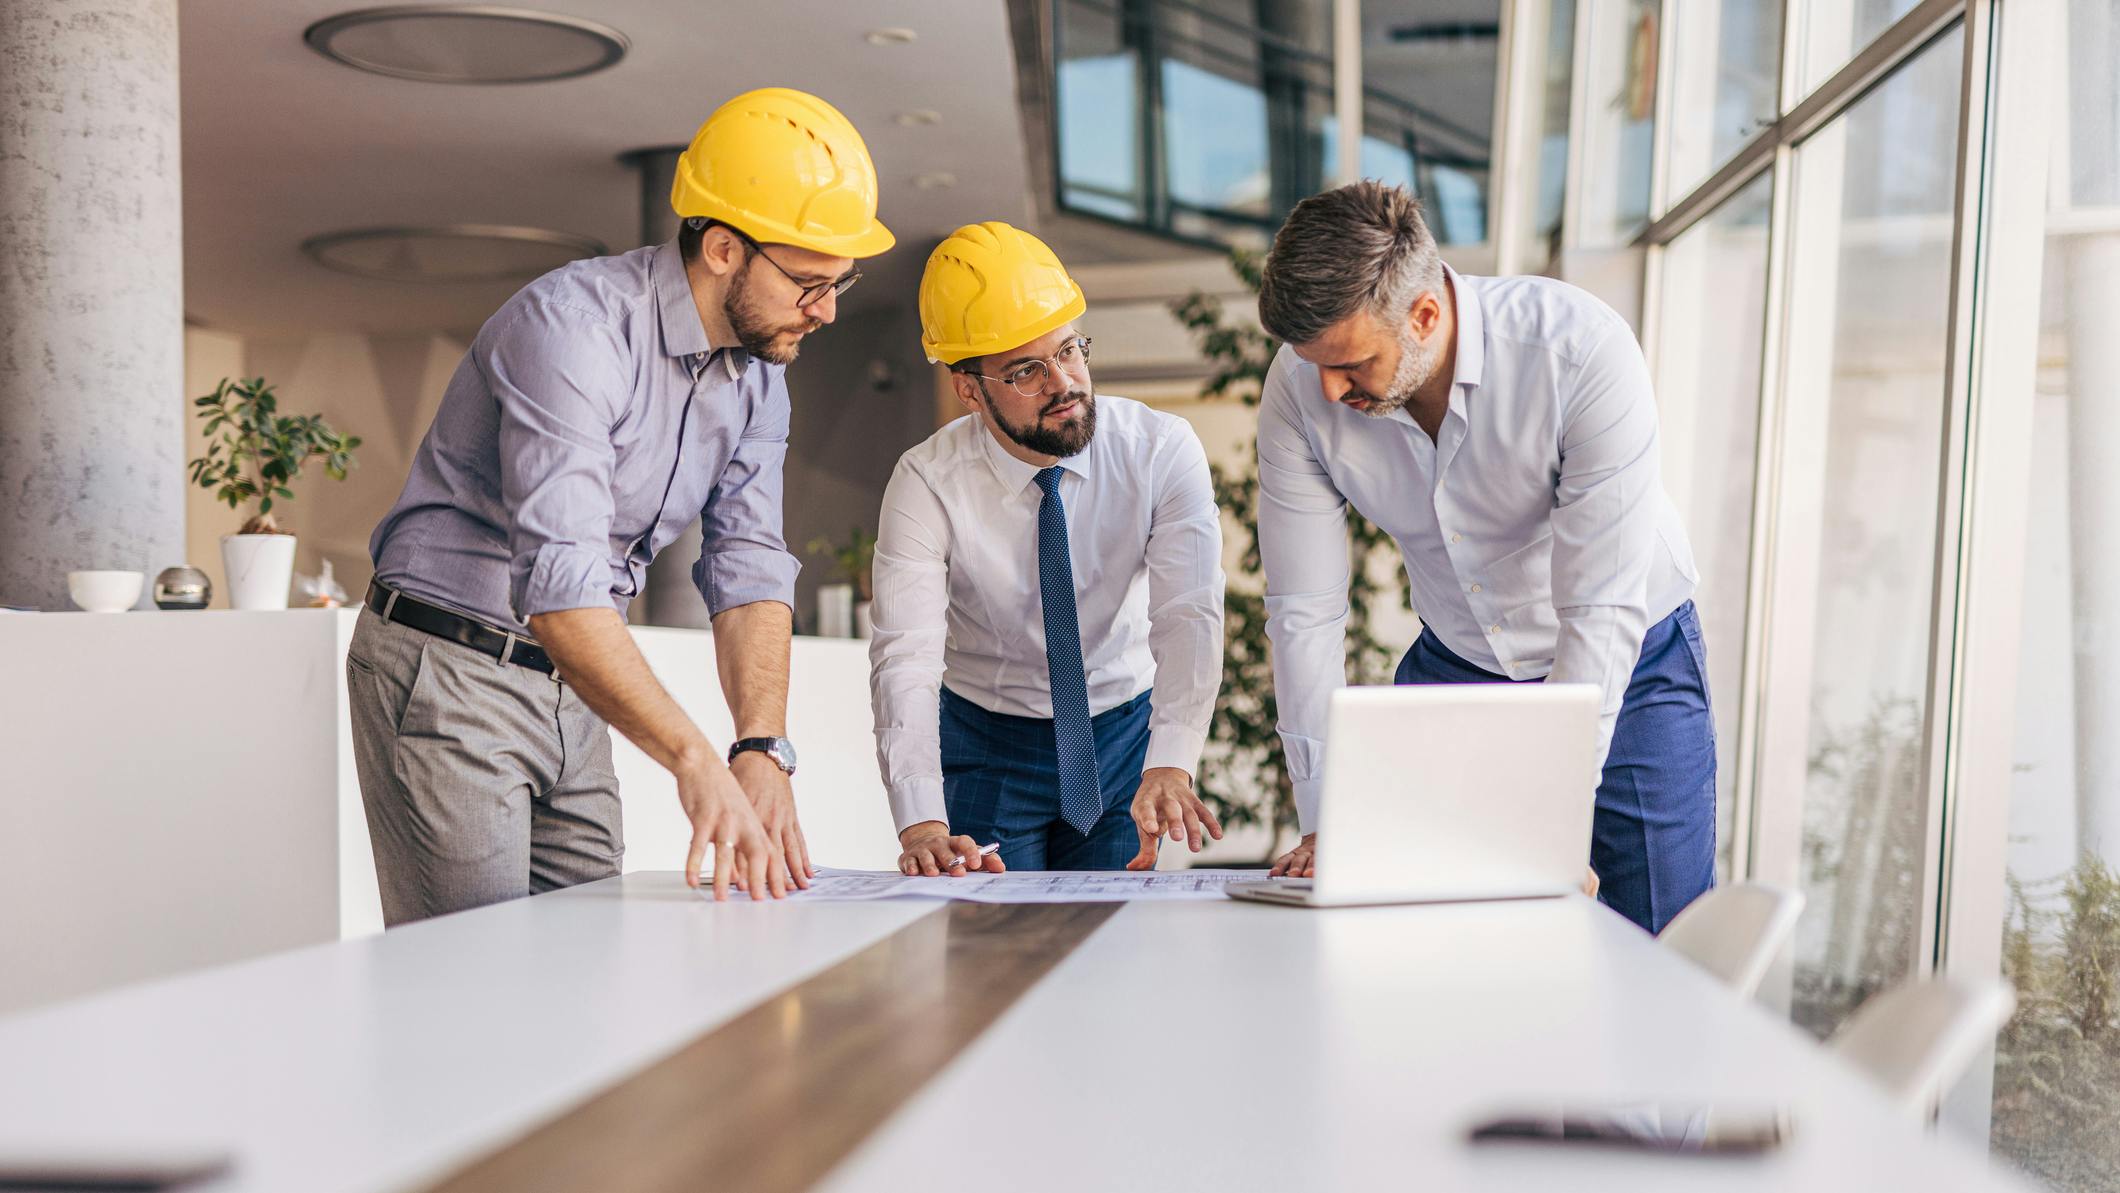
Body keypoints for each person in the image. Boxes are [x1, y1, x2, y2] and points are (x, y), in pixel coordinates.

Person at [348, 88, 896, 922]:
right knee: (470, 989)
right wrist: (692, 758)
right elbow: (562, 586)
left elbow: (747, 563)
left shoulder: (759, 377)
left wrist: (759, 748)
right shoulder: (574, 328)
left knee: (588, 962)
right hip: (450, 666)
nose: (825, 310)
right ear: (721, 249)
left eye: (840, 284)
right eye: (808, 282)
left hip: (571, 683)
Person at [1253, 181, 1712, 933]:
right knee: (1446, 937)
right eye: (1314, 365)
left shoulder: (1578, 351)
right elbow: (1304, 611)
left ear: (1425, 316)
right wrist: (1322, 812)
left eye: (1353, 364)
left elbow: (1599, 609)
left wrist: (1553, 817)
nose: (1329, 390)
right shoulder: (1300, 387)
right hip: (1460, 666)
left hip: (1630, 666)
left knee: (1659, 934)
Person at [868, 222, 1227, 876]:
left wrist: (1171, 761)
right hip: (988, 740)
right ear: (969, 387)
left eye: (1069, 350)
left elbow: (1188, 614)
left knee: (1112, 947)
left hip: (1122, 738)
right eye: (1027, 370)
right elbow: (906, 656)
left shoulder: (1159, 450)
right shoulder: (926, 482)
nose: (1063, 382)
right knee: (994, 951)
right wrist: (921, 820)